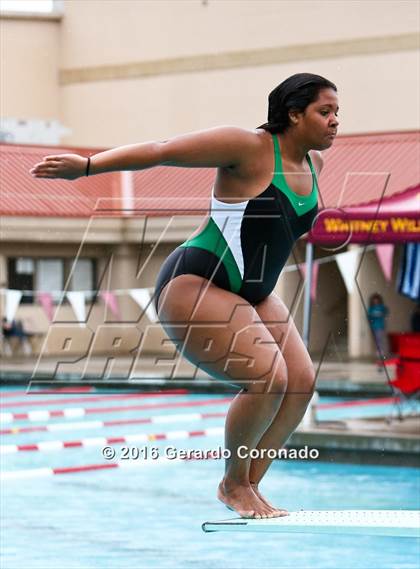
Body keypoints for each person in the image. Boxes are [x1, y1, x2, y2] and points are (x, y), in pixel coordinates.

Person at [29, 72, 339, 519]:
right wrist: (89, 166)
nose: (334, 122)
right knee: (268, 378)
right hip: (197, 281)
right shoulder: (247, 147)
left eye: (336, 113)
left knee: (301, 384)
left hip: (253, 292)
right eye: (324, 112)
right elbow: (162, 150)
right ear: (293, 114)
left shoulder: (315, 166)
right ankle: (234, 485)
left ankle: (248, 485)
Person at [367, 293, 389, 366]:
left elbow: (386, 312)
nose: (375, 301)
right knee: (377, 340)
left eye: (377, 299)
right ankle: (379, 354)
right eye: (374, 299)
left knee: (380, 340)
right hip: (374, 327)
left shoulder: (382, 307)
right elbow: (369, 316)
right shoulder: (371, 308)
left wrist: (381, 314)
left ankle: (381, 354)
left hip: (381, 326)